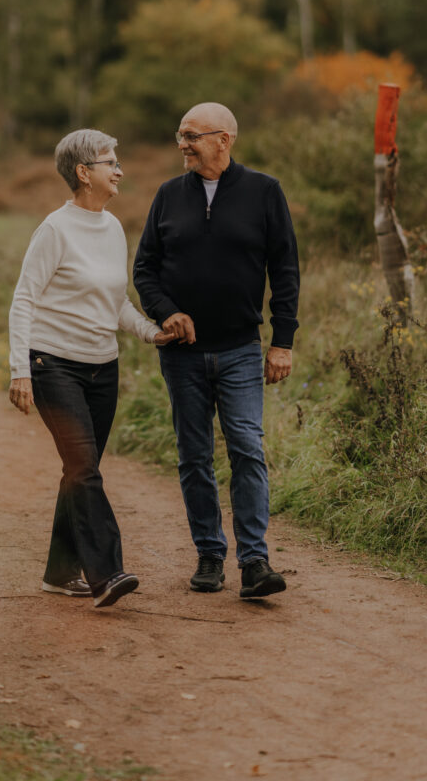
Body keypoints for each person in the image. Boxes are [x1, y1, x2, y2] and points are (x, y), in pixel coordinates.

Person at [133, 102, 299, 600]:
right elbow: (144, 269)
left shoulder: (264, 192)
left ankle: (254, 562)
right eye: (179, 136)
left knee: (248, 448)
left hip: (241, 351)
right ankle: (209, 555)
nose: (182, 144)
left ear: (224, 140)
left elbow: (285, 271)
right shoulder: (167, 196)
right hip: (182, 355)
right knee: (194, 456)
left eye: (192, 136)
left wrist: (283, 342)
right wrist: (166, 312)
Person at [8, 129, 173, 609]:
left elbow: (115, 300)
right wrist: (20, 369)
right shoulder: (55, 230)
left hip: (103, 367)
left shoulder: (113, 227)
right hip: (52, 364)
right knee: (83, 469)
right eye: (110, 162)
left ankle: (60, 574)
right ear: (84, 172)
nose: (119, 170)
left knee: (80, 471)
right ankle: (106, 573)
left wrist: (149, 332)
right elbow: (23, 301)